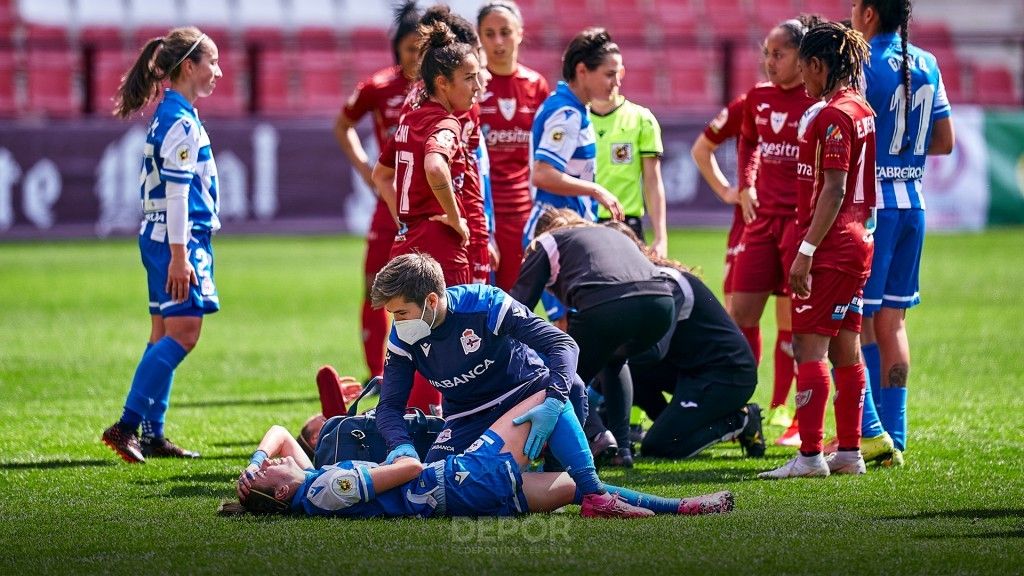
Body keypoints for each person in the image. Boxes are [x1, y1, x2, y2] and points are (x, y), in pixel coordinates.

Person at [227, 390, 735, 518]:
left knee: (577, 491)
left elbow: (277, 433)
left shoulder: (307, 487)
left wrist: (253, 469)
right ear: (284, 491)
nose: (270, 461)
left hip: (470, 499)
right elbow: (407, 467)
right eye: (269, 472)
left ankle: (684, 505)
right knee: (545, 400)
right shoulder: (320, 488)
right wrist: (404, 436)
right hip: (462, 477)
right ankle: (602, 489)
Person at [759, 21, 877, 479]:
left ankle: (809, 456)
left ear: (815, 64)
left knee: (809, 348)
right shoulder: (861, 108)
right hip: (857, 241)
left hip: (831, 244)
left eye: (805, 70)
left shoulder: (833, 116)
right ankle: (849, 452)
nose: (802, 81)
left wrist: (805, 250)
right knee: (846, 347)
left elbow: (834, 188)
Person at [101, 27, 223, 463]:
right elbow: (176, 195)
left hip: (159, 236)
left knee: (162, 333)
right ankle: (127, 426)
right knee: (185, 335)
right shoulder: (179, 121)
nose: (218, 72)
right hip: (179, 240)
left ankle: (153, 432)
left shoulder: (172, 114)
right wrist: (179, 257)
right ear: (189, 66)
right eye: (212, 62)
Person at [849, 0, 955, 467]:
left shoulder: (860, 61)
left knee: (861, 321)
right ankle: (897, 434)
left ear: (869, 14)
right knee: (894, 322)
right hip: (914, 204)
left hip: (874, 211)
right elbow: (945, 141)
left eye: (855, 5)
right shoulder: (928, 62)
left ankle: (870, 434)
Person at [375, 7, 492, 416]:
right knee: (452, 338)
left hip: (409, 238)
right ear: (442, 82)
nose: (479, 85)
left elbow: (380, 174)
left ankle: (405, 420)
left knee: (411, 336)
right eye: (471, 77)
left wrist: (405, 217)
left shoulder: (409, 117)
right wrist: (457, 219)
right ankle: (458, 425)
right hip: (441, 244)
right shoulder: (446, 122)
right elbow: (435, 165)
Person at [370, 253, 588, 468]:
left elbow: (563, 344)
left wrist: (553, 402)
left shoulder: (487, 304)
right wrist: (400, 447)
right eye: (392, 314)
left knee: (574, 386)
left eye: (401, 313)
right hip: (467, 414)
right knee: (439, 486)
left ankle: (557, 471)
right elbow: (389, 405)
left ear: (431, 301)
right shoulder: (402, 336)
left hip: (523, 392)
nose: (396, 323)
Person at [511, 209, 677, 467]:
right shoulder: (605, 232)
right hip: (662, 305)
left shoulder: (547, 241)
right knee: (614, 358)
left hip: (608, 306)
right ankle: (621, 449)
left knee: (560, 376)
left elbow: (517, 309)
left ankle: (575, 452)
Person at [598, 221, 763, 459]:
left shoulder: (665, 283)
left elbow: (655, 350)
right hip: (691, 369)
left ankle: (742, 419)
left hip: (726, 375)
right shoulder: (639, 279)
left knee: (658, 447)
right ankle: (671, 427)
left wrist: (598, 362)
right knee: (623, 368)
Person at [732, 18, 823, 447]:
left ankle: (797, 420)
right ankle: (741, 411)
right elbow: (747, 141)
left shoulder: (815, 102)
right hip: (762, 222)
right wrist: (746, 182)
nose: (770, 62)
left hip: (799, 224)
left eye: (779, 53)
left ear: (802, 57)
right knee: (740, 316)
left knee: (802, 326)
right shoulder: (758, 97)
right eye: (766, 53)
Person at [334, 1, 422, 383]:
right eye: (409, 49)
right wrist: (368, 171)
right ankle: (377, 374)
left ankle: (429, 373)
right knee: (374, 287)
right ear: (396, 49)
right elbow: (343, 125)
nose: (416, 56)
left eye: (422, 48)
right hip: (389, 205)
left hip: (426, 205)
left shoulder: (443, 87)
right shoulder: (379, 86)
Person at [525, 27, 625, 324]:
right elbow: (542, 174)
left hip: (565, 232)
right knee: (570, 329)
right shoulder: (566, 114)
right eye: (609, 74)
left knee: (576, 328)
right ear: (582, 71)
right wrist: (595, 190)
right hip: (554, 234)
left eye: (618, 74)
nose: (616, 83)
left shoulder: (574, 109)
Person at [477, 0, 551, 290]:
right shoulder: (472, 85)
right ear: (479, 36)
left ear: (520, 33)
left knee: (516, 301)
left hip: (523, 211)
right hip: (480, 211)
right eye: (490, 33)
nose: (498, 41)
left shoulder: (536, 85)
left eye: (505, 32)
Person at [589, 83, 668, 257]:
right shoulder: (574, 117)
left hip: (627, 227)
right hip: (584, 224)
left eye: (613, 73)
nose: (609, 81)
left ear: (621, 73)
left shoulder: (641, 118)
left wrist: (661, 237)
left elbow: (653, 182)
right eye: (605, 74)